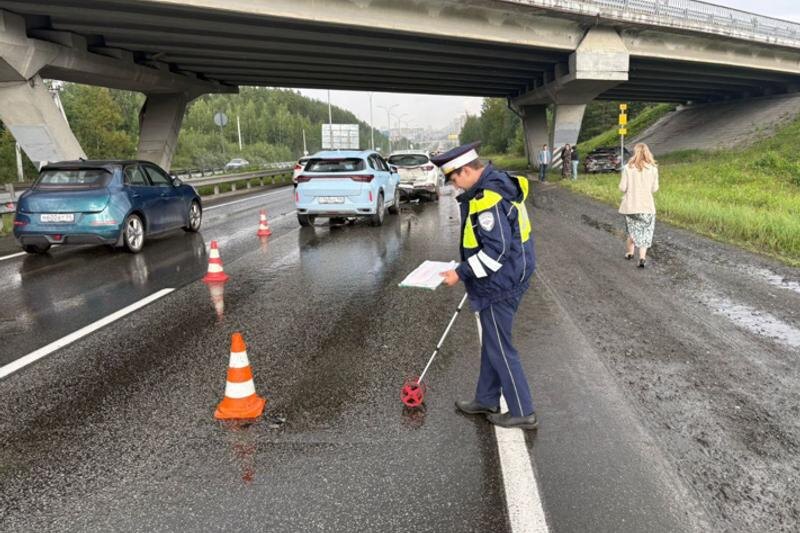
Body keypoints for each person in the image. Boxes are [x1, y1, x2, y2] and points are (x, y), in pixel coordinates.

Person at [432, 142, 538, 430]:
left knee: (500, 347)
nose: (454, 186)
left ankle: (523, 411)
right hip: (511, 273)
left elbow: (496, 252)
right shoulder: (494, 184)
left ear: (466, 171)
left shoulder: (489, 197)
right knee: (493, 342)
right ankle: (487, 398)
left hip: (500, 282)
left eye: (454, 179)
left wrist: (461, 273)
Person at [619, 143, 659, 268]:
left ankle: (630, 253)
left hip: (631, 206)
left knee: (632, 231)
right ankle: (642, 258)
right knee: (646, 232)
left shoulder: (627, 168)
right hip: (647, 206)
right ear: (648, 153)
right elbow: (655, 188)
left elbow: (622, 187)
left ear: (635, 153)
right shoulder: (653, 169)